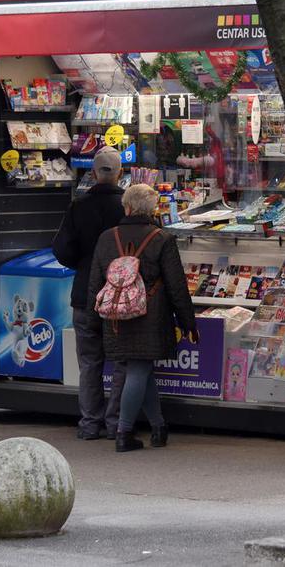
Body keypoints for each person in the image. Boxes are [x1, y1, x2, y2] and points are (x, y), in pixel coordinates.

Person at [89, 184, 197, 453]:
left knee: (142, 369)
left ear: (125, 206)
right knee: (139, 369)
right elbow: (176, 286)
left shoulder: (106, 238)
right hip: (150, 315)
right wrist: (187, 322)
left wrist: (95, 320)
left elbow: (95, 283)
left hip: (116, 316)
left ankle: (159, 427)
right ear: (152, 209)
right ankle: (124, 432)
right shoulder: (161, 239)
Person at [52, 146, 125, 440]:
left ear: (93, 173)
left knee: (89, 364)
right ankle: (115, 422)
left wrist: (83, 264)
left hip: (85, 294)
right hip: (121, 297)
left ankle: (91, 422)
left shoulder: (78, 206)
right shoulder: (127, 207)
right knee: (121, 361)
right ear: (120, 173)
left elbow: (61, 249)